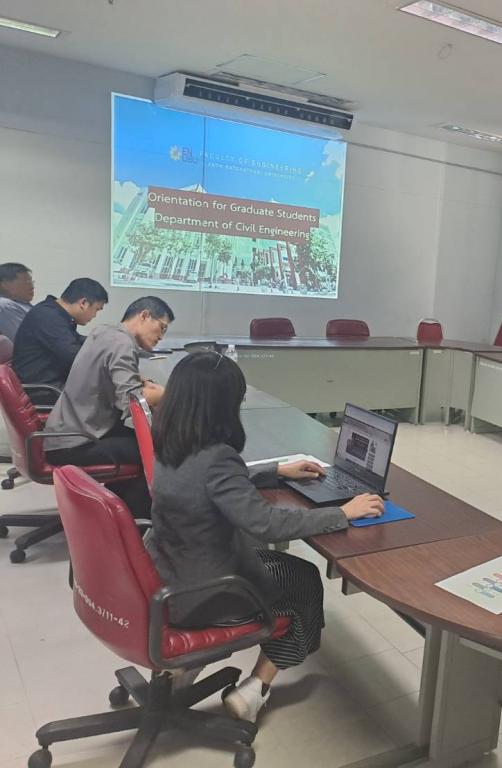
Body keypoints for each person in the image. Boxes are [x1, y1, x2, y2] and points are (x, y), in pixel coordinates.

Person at [147, 352, 384, 722]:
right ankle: (254, 690)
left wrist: (276, 470)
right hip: (205, 590)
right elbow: (267, 525)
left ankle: (182, 670)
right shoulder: (218, 458)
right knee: (305, 581)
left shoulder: (170, 440)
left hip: (169, 571)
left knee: (275, 563)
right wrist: (342, 513)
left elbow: (210, 483)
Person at [44, 296, 173, 518]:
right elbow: (132, 404)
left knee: (147, 440)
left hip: (67, 433)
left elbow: (108, 379)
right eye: (162, 327)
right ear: (144, 316)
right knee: (159, 450)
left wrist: (139, 382)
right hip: (77, 442)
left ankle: (118, 510)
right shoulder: (122, 344)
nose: (161, 336)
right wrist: (165, 395)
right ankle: (137, 520)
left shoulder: (104, 332)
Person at [13, 278, 108, 401]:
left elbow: (76, 340)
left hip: (52, 383)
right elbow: (75, 356)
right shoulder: (48, 317)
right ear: (83, 303)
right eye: (96, 309)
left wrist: (106, 344)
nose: (94, 315)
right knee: (108, 393)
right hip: (45, 390)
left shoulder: (54, 313)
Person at [0, 262, 35, 340]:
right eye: (26, 282)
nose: (32, 286)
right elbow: (25, 339)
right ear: (5, 284)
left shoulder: (22, 304)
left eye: (31, 282)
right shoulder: (5, 305)